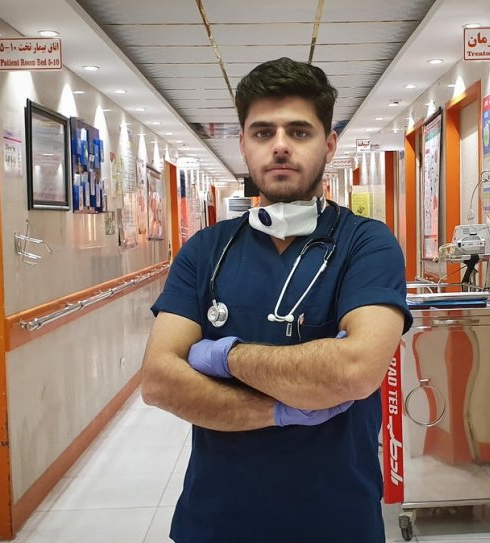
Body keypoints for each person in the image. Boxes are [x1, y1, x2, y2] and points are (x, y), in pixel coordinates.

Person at [141, 57, 412, 542]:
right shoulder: (206, 250)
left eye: (300, 132)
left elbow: (355, 370)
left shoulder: (366, 244)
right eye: (263, 133)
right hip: (216, 520)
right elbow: (161, 381)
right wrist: (283, 408)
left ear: (329, 144)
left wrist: (222, 356)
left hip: (336, 519)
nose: (281, 146)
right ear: (243, 144)